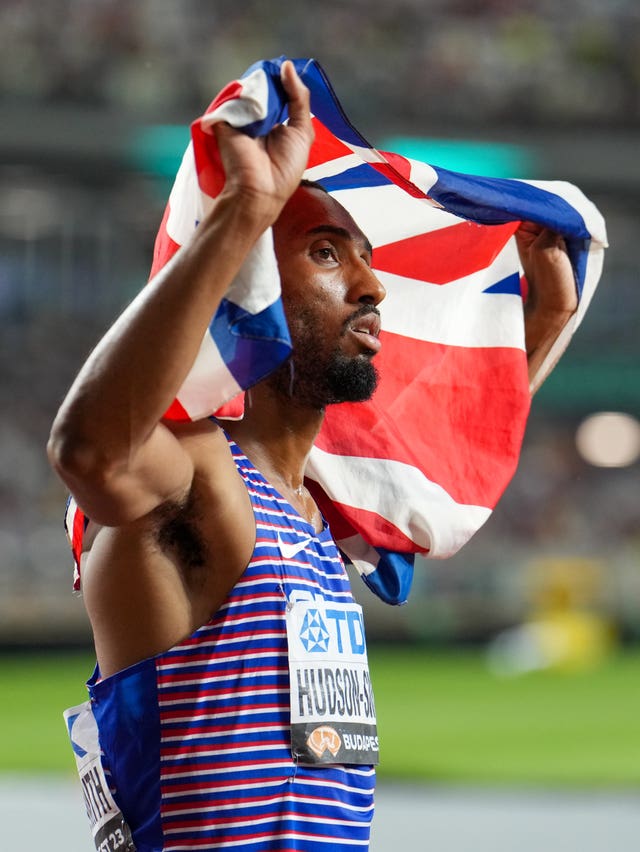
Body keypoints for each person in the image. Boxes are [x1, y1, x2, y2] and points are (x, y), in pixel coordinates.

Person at [48, 61, 578, 851]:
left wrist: (548, 318)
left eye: (365, 259)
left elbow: (447, 442)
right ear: (252, 287)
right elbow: (88, 451)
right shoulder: (199, 475)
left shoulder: (318, 512)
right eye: (329, 255)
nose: (373, 287)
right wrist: (244, 210)